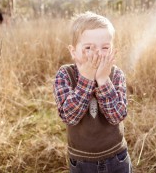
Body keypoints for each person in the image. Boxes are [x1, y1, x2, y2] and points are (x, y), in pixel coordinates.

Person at [53, 11, 132, 173]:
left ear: (112, 51)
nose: (97, 53)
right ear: (74, 52)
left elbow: (117, 115)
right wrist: (87, 79)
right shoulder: (65, 75)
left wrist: (103, 80)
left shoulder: (116, 75)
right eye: (88, 47)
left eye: (105, 47)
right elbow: (69, 117)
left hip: (116, 157)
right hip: (82, 161)